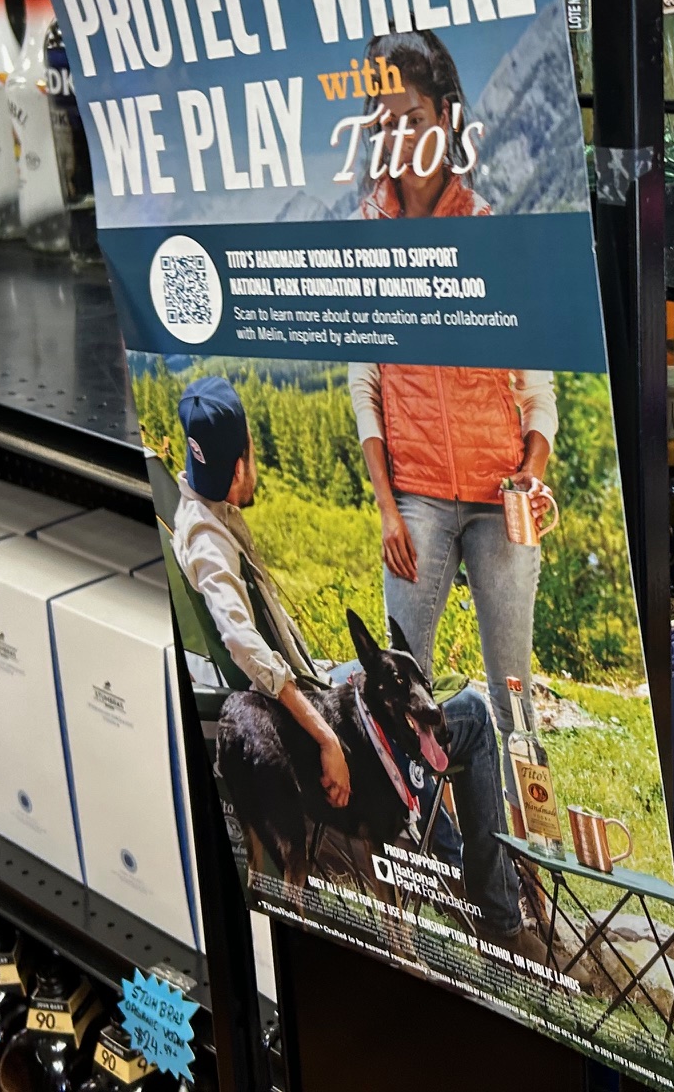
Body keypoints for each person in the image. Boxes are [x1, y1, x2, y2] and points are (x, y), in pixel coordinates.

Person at [169, 375, 542, 958]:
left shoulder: (200, 510)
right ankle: (496, 913)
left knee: (412, 682)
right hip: (299, 706)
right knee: (468, 715)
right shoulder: (208, 541)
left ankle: (448, 865)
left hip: (308, 684)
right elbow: (244, 645)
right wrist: (326, 737)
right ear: (241, 464)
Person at [345, 30, 556, 802]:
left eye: (416, 118)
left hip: (501, 492)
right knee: (406, 690)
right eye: (387, 123)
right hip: (419, 499)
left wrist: (531, 475)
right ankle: (422, 841)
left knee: (512, 694)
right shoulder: (368, 237)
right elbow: (364, 380)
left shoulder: (490, 229)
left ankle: (530, 840)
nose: (403, 138)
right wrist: (387, 508)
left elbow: (536, 384)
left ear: (446, 116)